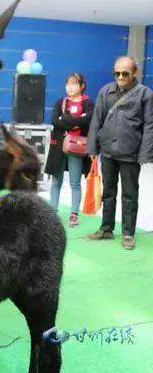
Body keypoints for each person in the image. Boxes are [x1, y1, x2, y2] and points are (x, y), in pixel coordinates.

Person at [86, 56, 153, 250]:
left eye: (125, 73)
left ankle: (128, 233)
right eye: (117, 73)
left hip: (130, 153)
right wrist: (92, 148)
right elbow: (96, 121)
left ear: (135, 73)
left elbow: (149, 125)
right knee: (108, 192)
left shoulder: (145, 94)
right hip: (107, 151)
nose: (121, 77)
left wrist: (145, 154)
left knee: (130, 195)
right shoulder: (105, 92)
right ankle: (106, 228)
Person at [44, 73, 94, 226]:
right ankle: (52, 213)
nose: (70, 87)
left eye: (74, 84)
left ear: (82, 86)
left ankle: (74, 214)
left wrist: (64, 119)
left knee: (75, 182)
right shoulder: (60, 102)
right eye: (68, 84)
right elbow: (54, 120)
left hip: (77, 147)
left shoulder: (89, 103)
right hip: (59, 146)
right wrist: (76, 122)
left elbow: (88, 120)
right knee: (56, 181)